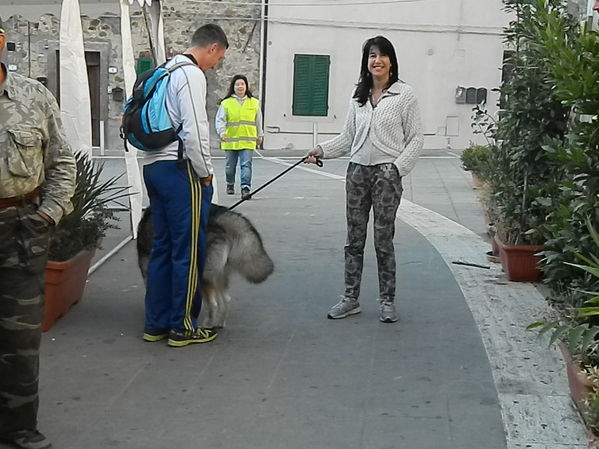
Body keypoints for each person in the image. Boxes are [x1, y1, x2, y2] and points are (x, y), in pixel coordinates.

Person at [305, 35, 424, 323]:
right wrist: (321, 150)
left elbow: (416, 138)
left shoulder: (403, 95)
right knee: (353, 240)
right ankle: (350, 298)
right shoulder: (358, 97)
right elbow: (348, 138)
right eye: (372, 55)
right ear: (366, 62)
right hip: (357, 173)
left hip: (386, 174)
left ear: (391, 61)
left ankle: (387, 300)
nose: (377, 60)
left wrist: (397, 169)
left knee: (383, 240)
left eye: (382, 55)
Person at [0, 19, 77, 449]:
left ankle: (18, 428)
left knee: (20, 336)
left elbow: (63, 163)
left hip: (19, 229)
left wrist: (49, 213)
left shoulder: (33, 97)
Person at [141, 24, 228, 347]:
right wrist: (205, 173)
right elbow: (194, 130)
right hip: (180, 171)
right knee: (189, 251)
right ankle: (183, 327)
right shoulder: (191, 74)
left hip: (153, 166)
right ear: (213, 48)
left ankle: (156, 324)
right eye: (218, 58)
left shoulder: (164, 70)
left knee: (161, 247)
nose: (215, 65)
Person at [215, 75, 263, 200]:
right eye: (237, 84)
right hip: (230, 140)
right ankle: (230, 184)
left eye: (242, 84)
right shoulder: (226, 103)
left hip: (247, 140)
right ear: (233, 87)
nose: (240, 87)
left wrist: (260, 135)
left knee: (246, 165)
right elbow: (220, 120)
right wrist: (222, 133)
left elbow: (258, 121)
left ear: (246, 86)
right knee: (230, 166)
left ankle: (245, 188)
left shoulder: (254, 103)